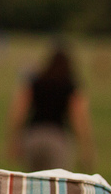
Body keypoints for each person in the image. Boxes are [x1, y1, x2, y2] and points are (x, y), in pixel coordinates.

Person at [7, 43, 94, 172]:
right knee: (56, 182)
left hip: (33, 137)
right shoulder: (70, 85)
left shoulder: (36, 82)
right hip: (57, 139)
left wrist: (14, 139)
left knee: (33, 181)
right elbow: (78, 118)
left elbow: (19, 111)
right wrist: (86, 147)